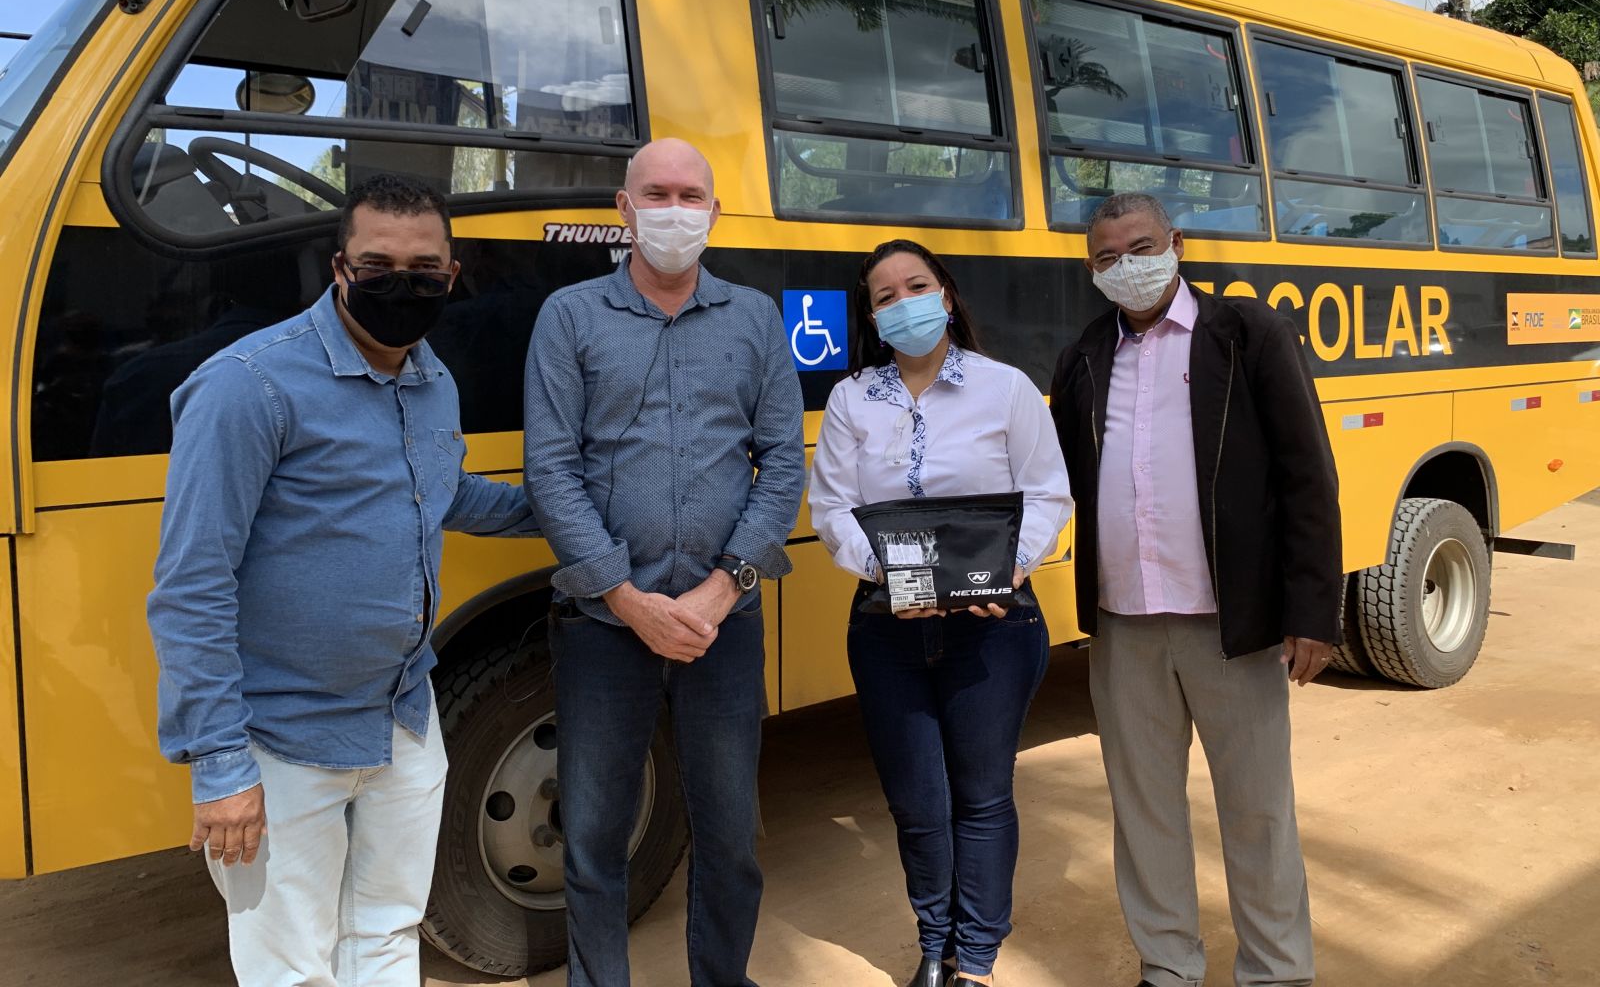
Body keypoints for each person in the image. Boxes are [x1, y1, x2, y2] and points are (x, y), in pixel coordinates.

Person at [148, 174, 541, 987]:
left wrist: (560, 509)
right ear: (338, 268)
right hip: (284, 740)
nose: (403, 286)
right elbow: (192, 584)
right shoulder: (248, 387)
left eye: (425, 271)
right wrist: (221, 766)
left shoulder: (432, 379)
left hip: (403, 720)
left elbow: (445, 491)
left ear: (452, 276)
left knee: (388, 936)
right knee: (291, 967)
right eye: (377, 266)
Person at [522, 137, 805, 987]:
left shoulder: (755, 319)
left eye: (691, 195)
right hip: (604, 626)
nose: (674, 210)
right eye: (657, 194)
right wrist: (627, 597)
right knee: (597, 837)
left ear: (715, 213)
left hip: (726, 622)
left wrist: (723, 591)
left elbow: (783, 464)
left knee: (728, 834)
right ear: (623, 208)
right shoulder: (569, 317)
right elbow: (551, 469)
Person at [1047, 193, 1342, 987]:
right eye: (1107, 257)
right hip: (1125, 625)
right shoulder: (1082, 358)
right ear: (1092, 270)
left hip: (1230, 625)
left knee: (1257, 811)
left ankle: (1277, 972)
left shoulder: (1246, 336)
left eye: (1140, 247)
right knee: (1144, 815)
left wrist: (1312, 611)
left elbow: (1308, 478)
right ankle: (1168, 966)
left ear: (1176, 242)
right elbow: (1063, 484)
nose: (1127, 267)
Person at [808, 239, 1073, 987]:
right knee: (918, 804)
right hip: (888, 626)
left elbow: (1048, 492)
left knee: (982, 796)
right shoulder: (853, 398)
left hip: (993, 622)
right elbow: (831, 508)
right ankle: (935, 943)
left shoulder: (1005, 389)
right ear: (872, 315)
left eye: (916, 286)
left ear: (947, 296)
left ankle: (975, 960)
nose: (904, 303)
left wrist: (1009, 565)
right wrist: (900, 575)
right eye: (885, 295)